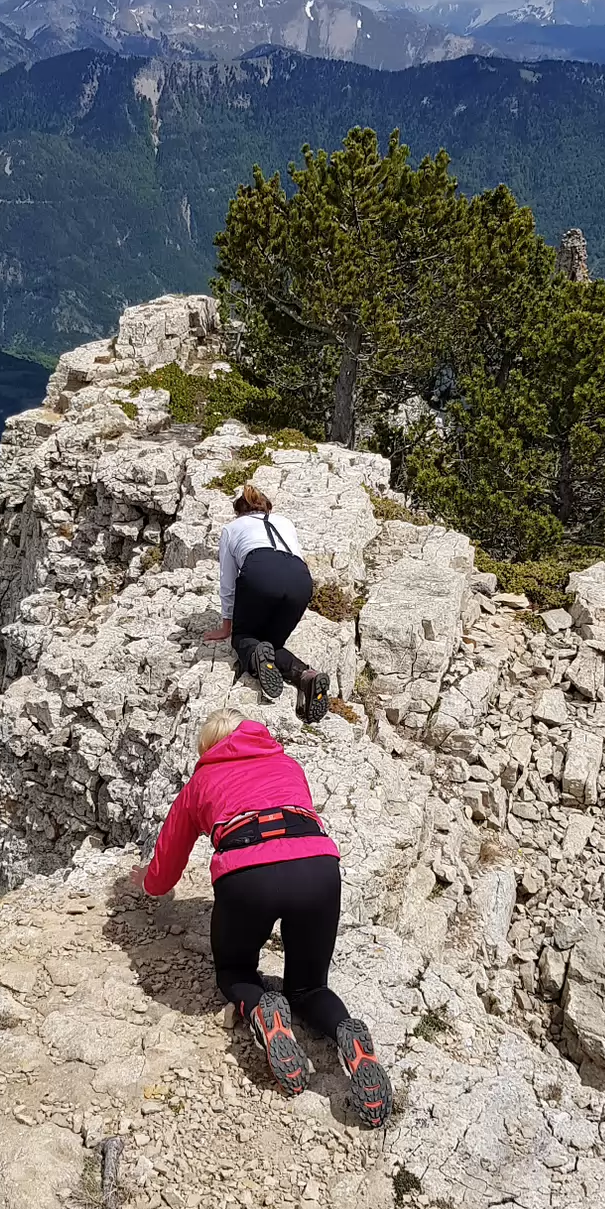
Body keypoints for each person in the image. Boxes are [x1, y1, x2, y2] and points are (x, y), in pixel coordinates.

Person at [134, 709, 391, 1128]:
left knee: (234, 970)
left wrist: (146, 883)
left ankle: (262, 1012)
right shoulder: (287, 764)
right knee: (309, 986)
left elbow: (166, 866)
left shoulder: (202, 780)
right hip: (317, 868)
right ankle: (347, 1033)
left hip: (247, 876)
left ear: (208, 746)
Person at [203, 482, 330, 722]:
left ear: (238, 512)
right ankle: (307, 677)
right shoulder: (285, 522)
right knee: (271, 644)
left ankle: (254, 655)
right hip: (300, 581)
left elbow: (228, 582)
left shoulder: (231, 528)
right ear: (266, 508)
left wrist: (227, 628)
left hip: (261, 573)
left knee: (244, 638)